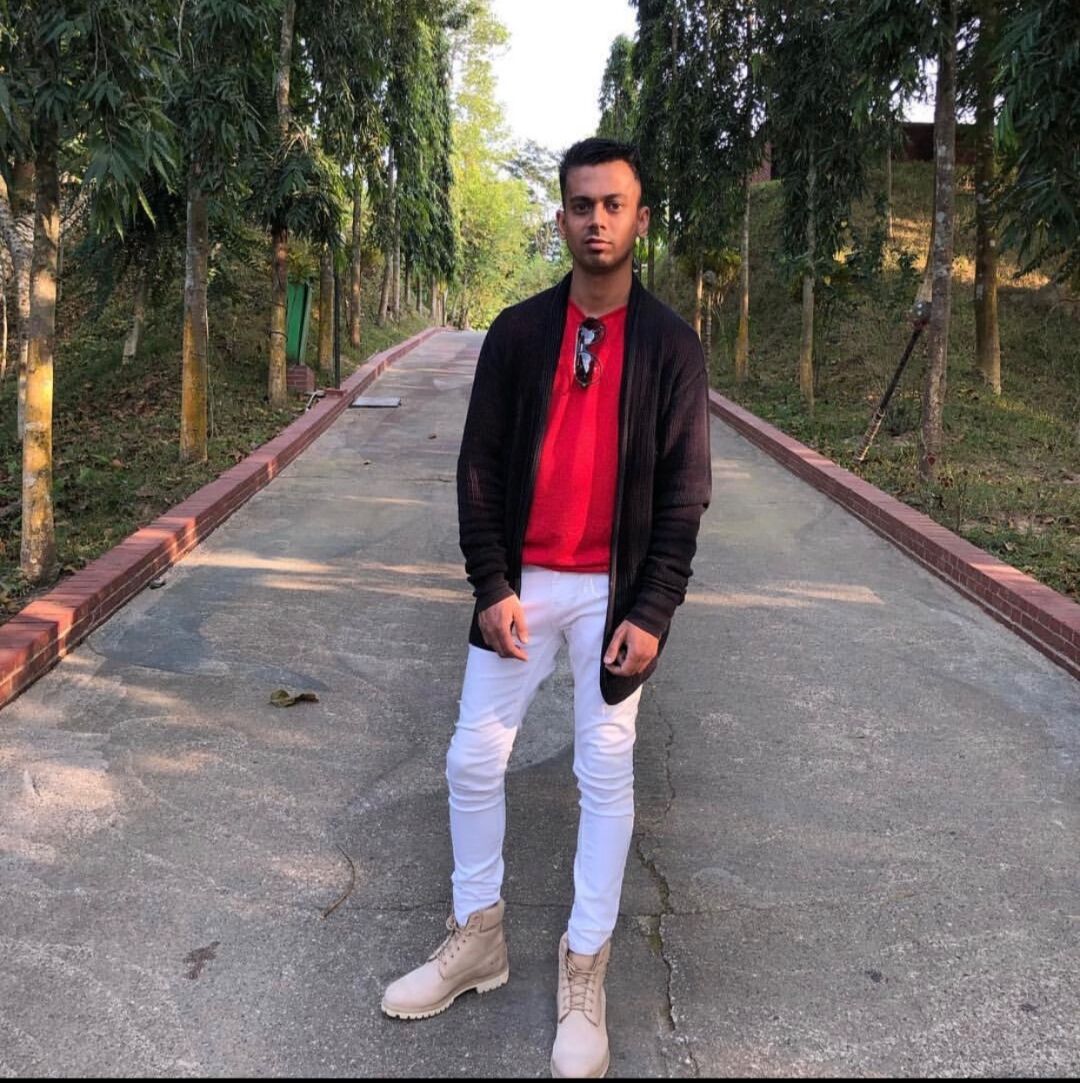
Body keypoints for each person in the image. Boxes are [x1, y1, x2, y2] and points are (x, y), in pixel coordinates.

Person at [381, 138, 712, 1079]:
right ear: (560, 217)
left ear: (639, 218)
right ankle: (478, 934)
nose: (596, 220)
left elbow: (684, 493)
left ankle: (585, 965)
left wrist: (653, 609)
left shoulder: (672, 346)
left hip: (615, 590)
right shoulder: (520, 332)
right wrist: (490, 585)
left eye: (613, 204)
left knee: (603, 772)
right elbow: (479, 467)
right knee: (470, 757)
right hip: (523, 585)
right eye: (581, 204)